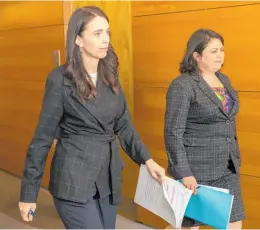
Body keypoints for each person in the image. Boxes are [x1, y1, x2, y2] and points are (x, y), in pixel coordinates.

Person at [18, 6, 166, 229]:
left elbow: (123, 125)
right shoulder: (59, 80)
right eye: (97, 34)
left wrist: (147, 160)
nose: (105, 39)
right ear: (78, 39)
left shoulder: (110, 75)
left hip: (106, 178)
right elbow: (42, 138)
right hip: (73, 179)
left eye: (107, 32)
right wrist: (29, 192)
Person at [164, 29, 245, 229]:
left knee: (234, 222)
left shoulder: (224, 80)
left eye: (222, 50)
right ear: (197, 56)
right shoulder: (182, 85)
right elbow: (173, 132)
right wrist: (183, 172)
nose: (220, 55)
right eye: (214, 51)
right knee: (188, 226)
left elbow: (227, 119)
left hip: (227, 165)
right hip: (196, 169)